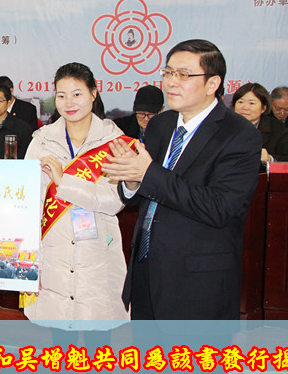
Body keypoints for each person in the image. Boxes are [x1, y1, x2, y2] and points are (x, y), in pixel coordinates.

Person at [103, 39, 261, 320]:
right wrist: (131, 180)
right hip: (146, 271)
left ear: (212, 84)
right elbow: (148, 192)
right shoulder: (160, 125)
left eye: (184, 75)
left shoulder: (238, 134)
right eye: (168, 72)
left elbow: (220, 207)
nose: (171, 82)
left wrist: (146, 173)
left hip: (197, 282)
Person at [24, 62, 129, 374]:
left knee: (99, 345)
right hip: (54, 250)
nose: (68, 102)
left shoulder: (115, 142)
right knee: (60, 344)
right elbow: (27, 196)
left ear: (94, 94)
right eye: (61, 95)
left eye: (77, 94)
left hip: (97, 251)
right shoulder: (42, 141)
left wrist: (63, 180)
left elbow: (113, 200)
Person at [232, 82, 288, 167]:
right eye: (240, 102)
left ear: (263, 108)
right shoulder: (222, 125)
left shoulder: (276, 128)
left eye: (251, 103)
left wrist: (269, 159)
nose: (245, 107)